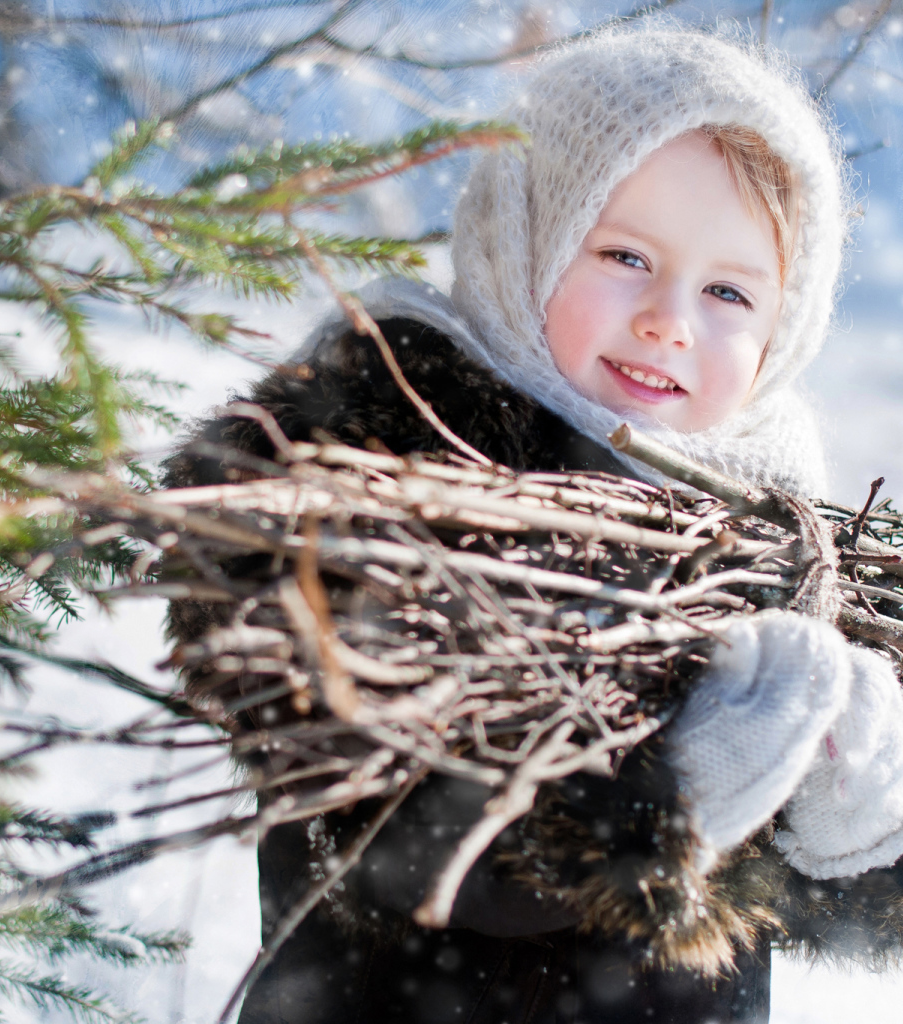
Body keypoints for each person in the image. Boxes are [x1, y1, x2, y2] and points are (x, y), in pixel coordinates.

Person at [165, 22, 903, 1024]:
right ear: (525, 232)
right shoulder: (376, 462)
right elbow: (397, 847)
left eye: (728, 289)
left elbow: (766, 915)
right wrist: (665, 805)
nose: (669, 318)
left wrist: (846, 816)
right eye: (625, 255)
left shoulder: (776, 526)